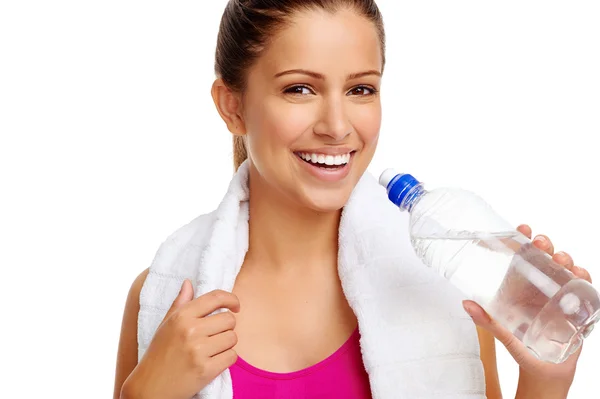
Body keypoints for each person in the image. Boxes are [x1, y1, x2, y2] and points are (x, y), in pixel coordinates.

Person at [113, 1, 593, 398]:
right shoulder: (165, 299)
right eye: (299, 89)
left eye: (361, 89)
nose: (338, 126)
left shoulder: (440, 286)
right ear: (232, 106)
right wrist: (145, 393)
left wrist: (546, 380)